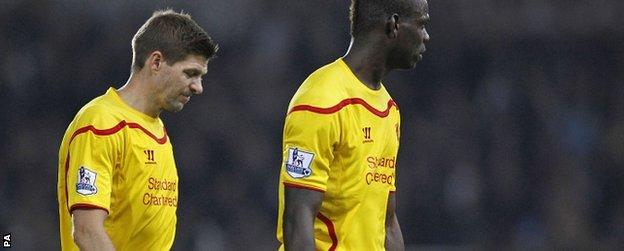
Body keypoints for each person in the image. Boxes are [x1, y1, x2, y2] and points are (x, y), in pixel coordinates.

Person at [57, 9, 217, 250]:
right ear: (156, 62)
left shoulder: (157, 130)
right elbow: (87, 231)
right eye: (190, 74)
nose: (198, 87)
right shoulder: (101, 123)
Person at [277, 0, 430, 250]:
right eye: (422, 24)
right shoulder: (321, 100)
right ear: (394, 25)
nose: (426, 36)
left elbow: (387, 222)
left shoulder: (389, 109)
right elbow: (298, 216)